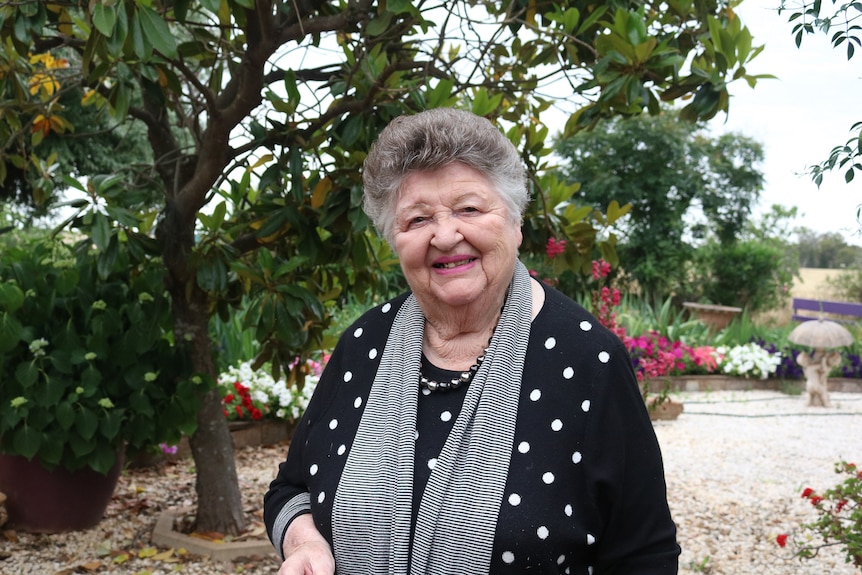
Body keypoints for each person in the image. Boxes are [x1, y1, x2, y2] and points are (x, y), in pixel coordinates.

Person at [263, 107, 680, 574]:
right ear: (393, 240)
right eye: (417, 219)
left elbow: (643, 554)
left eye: (469, 209)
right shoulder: (364, 343)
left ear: (515, 223)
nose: (445, 235)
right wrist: (304, 543)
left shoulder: (588, 360)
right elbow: (291, 489)